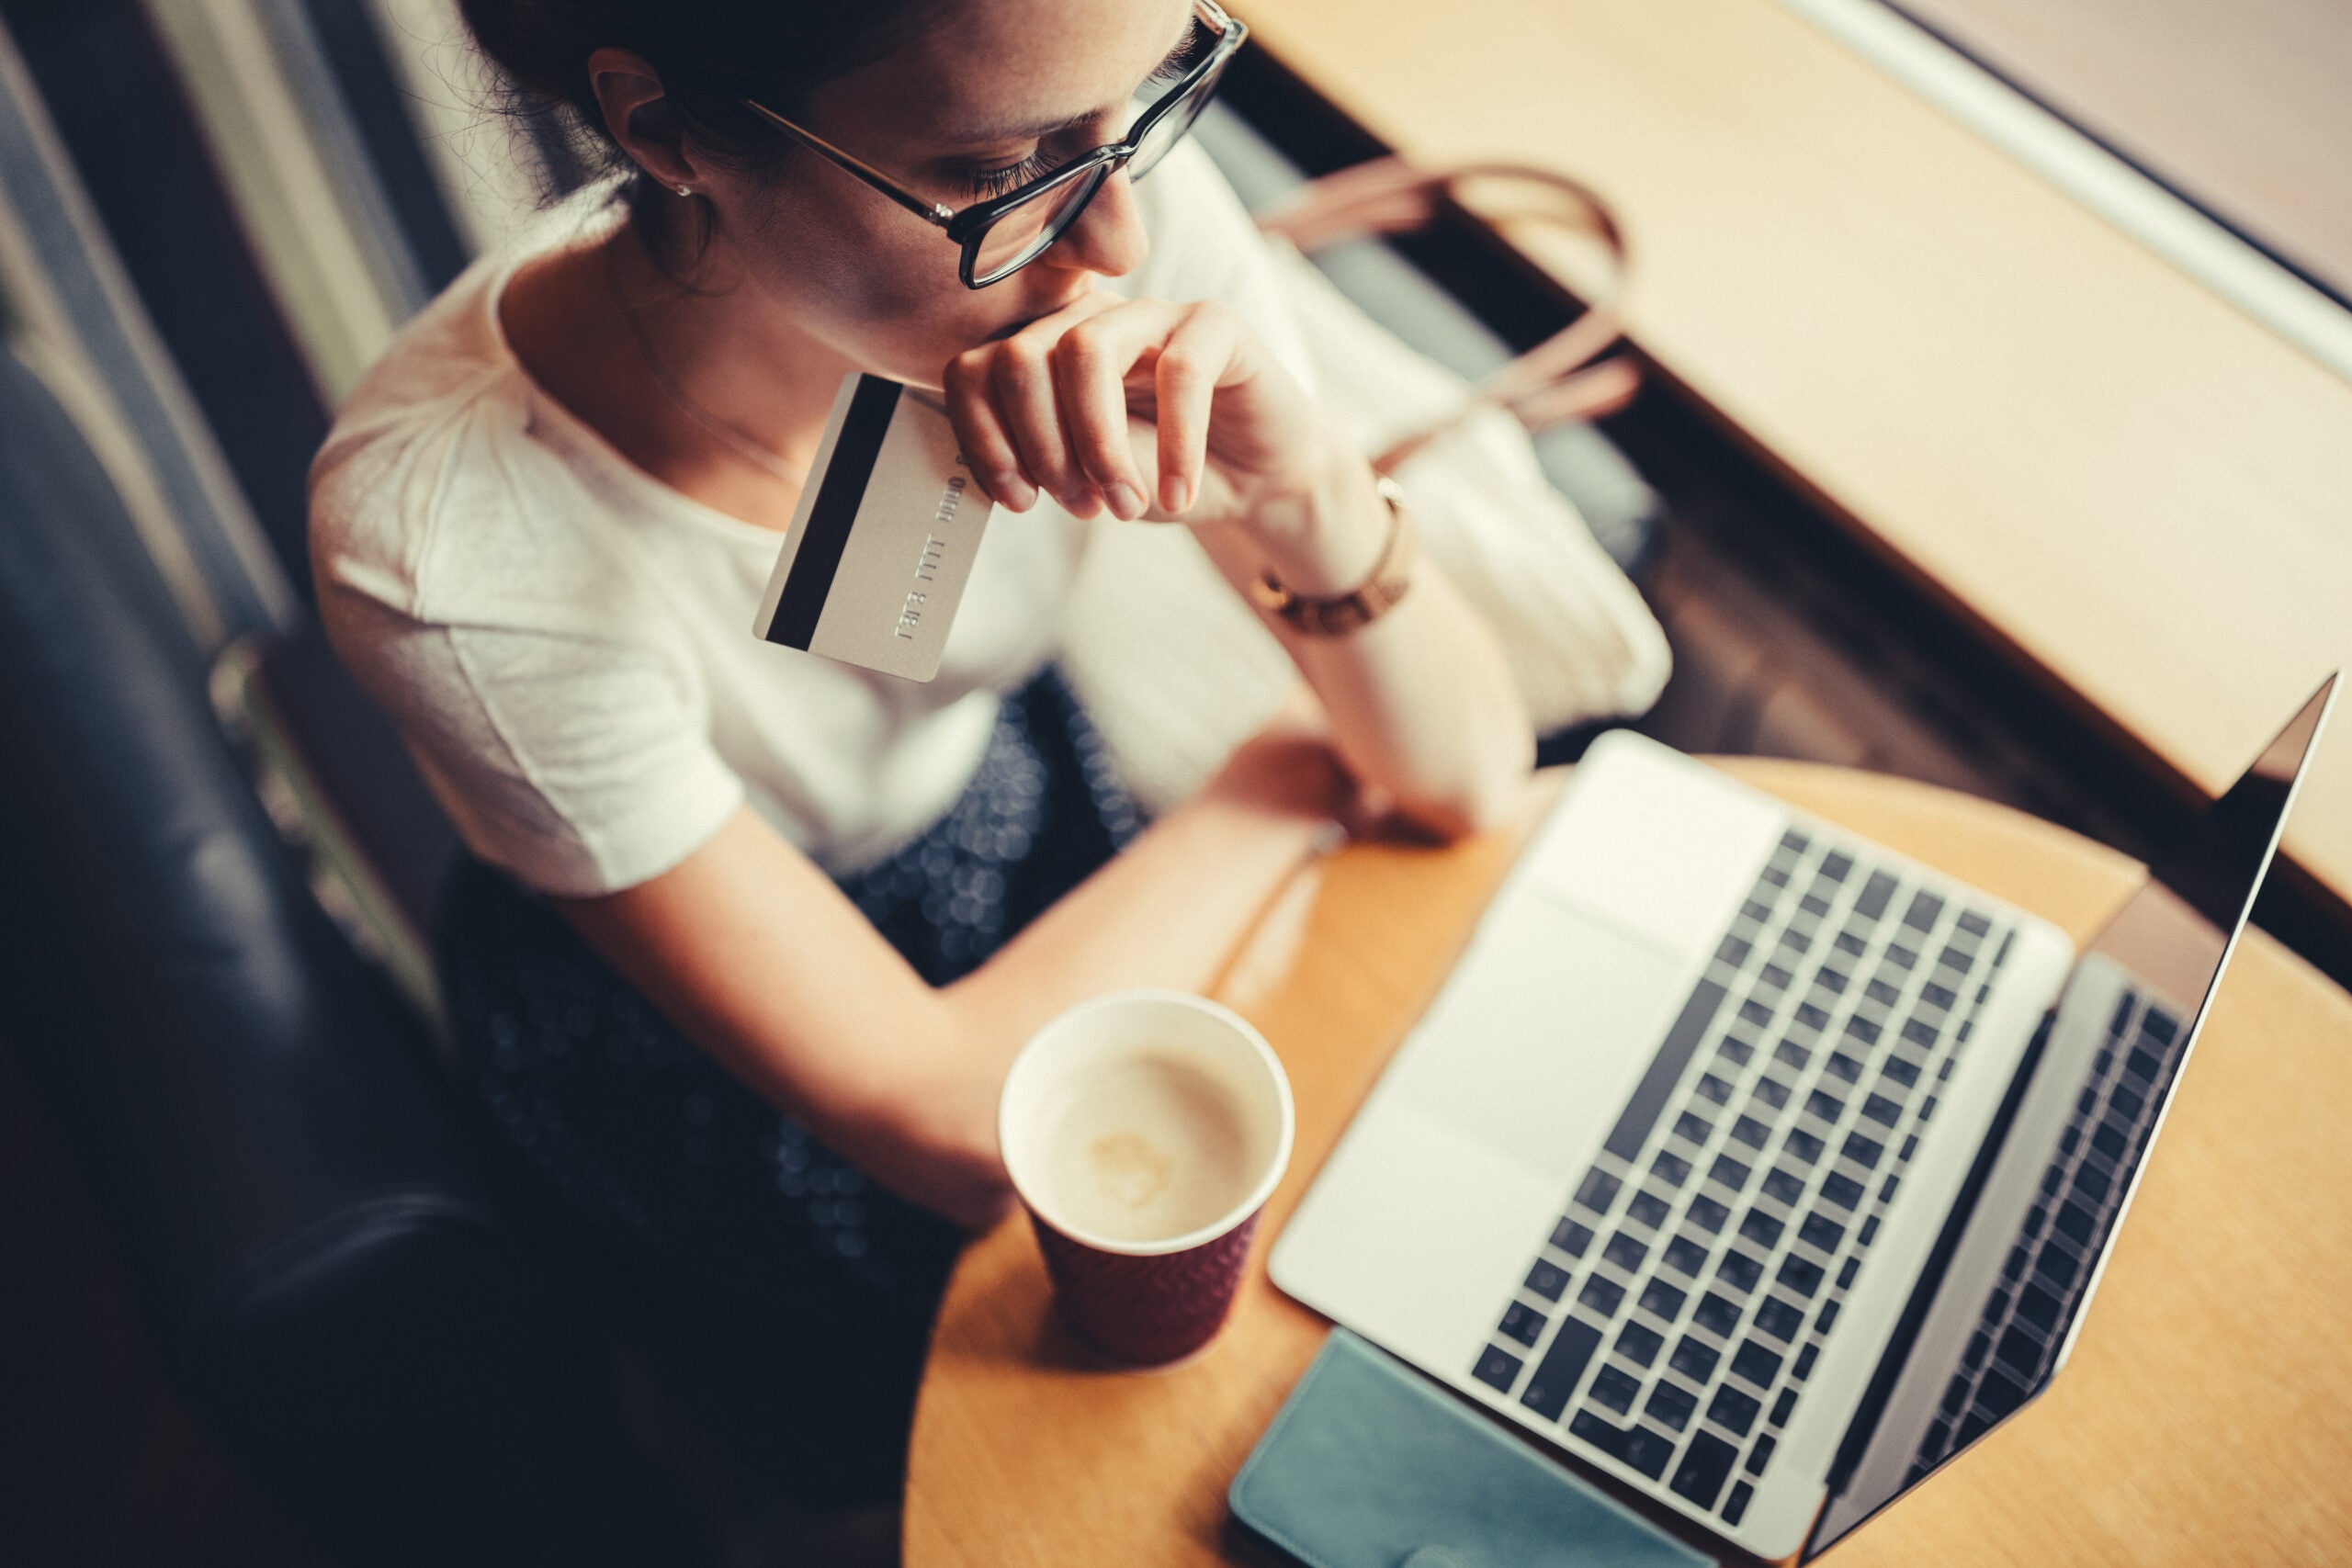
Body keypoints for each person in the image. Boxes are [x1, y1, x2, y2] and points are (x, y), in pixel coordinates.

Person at [308, 0, 1665, 1527]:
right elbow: (957, 1130)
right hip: (711, 1044)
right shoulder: (450, 558)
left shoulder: (1099, 209)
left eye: (1144, 106)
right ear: (668, 131)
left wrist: (1308, 497)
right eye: (994, 169)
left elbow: (1465, 773)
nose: (1118, 249)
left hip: (1012, 811)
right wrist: (1278, 780)